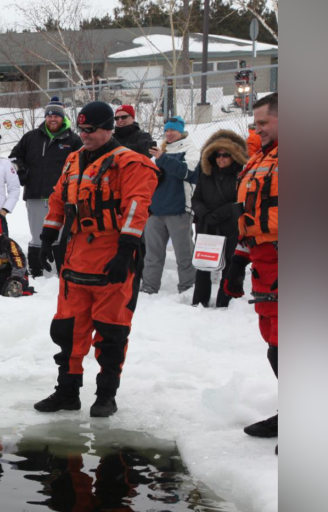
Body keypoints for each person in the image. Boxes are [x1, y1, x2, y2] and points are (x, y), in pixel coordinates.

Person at [34, 101, 158, 417]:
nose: (84, 135)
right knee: (67, 330)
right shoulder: (74, 160)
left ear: (108, 129)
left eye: (91, 130)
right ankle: (67, 392)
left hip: (113, 258)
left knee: (111, 332)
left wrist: (125, 252)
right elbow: (59, 199)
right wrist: (48, 236)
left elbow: (136, 208)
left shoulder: (132, 164)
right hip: (76, 257)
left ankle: (106, 395)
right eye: (81, 129)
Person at [225, 92, 279, 441]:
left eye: (263, 123)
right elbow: (254, 216)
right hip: (265, 263)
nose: (257, 129)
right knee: (276, 343)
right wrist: (239, 259)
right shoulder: (262, 158)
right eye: (255, 123)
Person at [8, 97, 82, 277]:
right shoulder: (31, 137)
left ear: (62, 117)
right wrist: (22, 171)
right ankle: (36, 270)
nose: (52, 119)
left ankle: (60, 270)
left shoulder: (73, 140)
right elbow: (13, 158)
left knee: (60, 234)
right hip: (35, 194)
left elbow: (83, 163)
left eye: (56, 115)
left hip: (62, 197)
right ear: (45, 117)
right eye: (49, 116)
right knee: (37, 234)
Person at [190, 129, 249, 308]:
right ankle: (199, 301)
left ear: (233, 156)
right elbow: (196, 198)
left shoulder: (240, 176)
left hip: (231, 226)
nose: (221, 159)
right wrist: (205, 214)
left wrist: (218, 214)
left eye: (225, 155)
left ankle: (226, 302)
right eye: (218, 155)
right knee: (202, 264)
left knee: (230, 264)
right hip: (206, 225)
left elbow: (240, 200)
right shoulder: (206, 175)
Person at [142, 116, 199, 296]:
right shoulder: (161, 152)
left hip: (180, 210)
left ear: (181, 131)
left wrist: (162, 158)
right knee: (152, 254)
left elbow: (187, 172)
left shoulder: (191, 150)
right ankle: (149, 287)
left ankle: (187, 289)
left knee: (184, 254)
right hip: (156, 210)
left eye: (172, 130)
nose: (169, 134)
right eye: (166, 130)